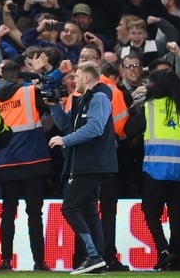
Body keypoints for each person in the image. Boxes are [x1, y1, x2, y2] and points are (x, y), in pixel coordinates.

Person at [48, 62, 117, 275]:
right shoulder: (83, 100)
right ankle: (97, 260)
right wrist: (54, 106)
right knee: (89, 211)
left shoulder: (99, 98)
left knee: (70, 208)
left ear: (87, 78)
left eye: (77, 76)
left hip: (91, 164)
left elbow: (95, 128)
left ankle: (93, 255)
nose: (74, 80)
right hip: (84, 163)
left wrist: (65, 140)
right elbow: (65, 125)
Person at [124, 70, 180, 270]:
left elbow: (129, 130)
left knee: (150, 211)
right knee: (178, 216)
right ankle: (178, 256)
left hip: (155, 169)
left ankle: (164, 251)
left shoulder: (150, 107)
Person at [0, 61, 52, 271]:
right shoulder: (29, 92)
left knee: (8, 212)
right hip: (33, 160)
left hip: (6, 163)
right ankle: (39, 262)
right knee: (35, 214)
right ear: (18, 78)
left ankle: (6, 261)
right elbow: (48, 110)